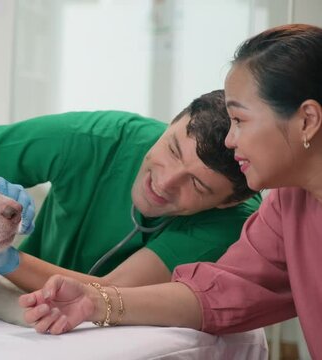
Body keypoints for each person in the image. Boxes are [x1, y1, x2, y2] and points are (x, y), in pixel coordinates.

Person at [18, 23, 322, 358]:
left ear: (307, 120)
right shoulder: (287, 204)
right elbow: (218, 293)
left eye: (239, 120)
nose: (231, 140)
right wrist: (94, 302)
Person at [0, 89, 261, 293]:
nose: (164, 182)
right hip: (11, 299)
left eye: (198, 184)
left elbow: (112, 291)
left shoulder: (235, 222)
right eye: (173, 150)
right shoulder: (98, 139)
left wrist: (5, 260)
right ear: (171, 123)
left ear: (228, 201)